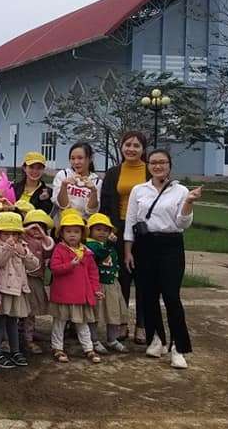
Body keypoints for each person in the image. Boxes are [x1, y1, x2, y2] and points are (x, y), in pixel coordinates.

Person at [123, 149, 202, 370]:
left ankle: (179, 347)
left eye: (163, 162)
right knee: (148, 295)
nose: (158, 166)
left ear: (169, 165)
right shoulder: (139, 190)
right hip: (144, 245)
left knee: (171, 296)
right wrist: (128, 251)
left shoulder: (180, 191)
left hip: (170, 245)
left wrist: (189, 202)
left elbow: (183, 223)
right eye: (154, 162)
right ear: (148, 165)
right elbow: (130, 221)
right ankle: (156, 339)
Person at [99, 131, 149, 344]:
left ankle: (142, 325)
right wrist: (108, 229)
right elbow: (105, 204)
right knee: (122, 279)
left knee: (144, 279)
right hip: (118, 231)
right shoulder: (113, 173)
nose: (131, 149)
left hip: (145, 232)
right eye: (128, 144)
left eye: (136, 145)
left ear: (143, 149)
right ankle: (122, 323)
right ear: (121, 147)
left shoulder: (150, 171)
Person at [48, 210, 103, 364]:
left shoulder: (87, 252)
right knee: (59, 323)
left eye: (76, 232)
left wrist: (96, 289)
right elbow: (54, 268)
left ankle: (88, 348)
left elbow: (93, 273)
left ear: (82, 234)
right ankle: (57, 347)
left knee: (82, 323)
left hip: (80, 295)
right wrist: (70, 265)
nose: (72, 235)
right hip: (63, 295)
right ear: (62, 233)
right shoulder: (59, 249)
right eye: (68, 231)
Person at [0, 212, 40, 369]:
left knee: (13, 321)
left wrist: (25, 253)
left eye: (14, 234)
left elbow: (34, 265)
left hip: (17, 290)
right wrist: (8, 248)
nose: (10, 237)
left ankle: (15, 350)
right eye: (6, 234)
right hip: (2, 290)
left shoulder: (22, 246)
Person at [86, 213, 127, 354]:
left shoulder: (108, 245)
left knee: (114, 312)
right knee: (95, 314)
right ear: (90, 230)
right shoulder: (90, 245)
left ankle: (112, 339)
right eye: (98, 229)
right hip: (98, 284)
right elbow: (100, 254)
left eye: (106, 230)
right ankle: (94, 340)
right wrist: (109, 244)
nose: (102, 232)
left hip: (112, 283)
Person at [20, 209, 55, 354]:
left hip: (35, 280)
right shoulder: (22, 239)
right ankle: (13, 338)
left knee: (31, 312)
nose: (36, 230)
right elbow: (16, 233)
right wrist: (25, 229)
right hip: (21, 279)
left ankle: (28, 338)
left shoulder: (44, 242)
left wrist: (43, 235)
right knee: (18, 312)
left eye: (41, 227)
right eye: (33, 227)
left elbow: (50, 248)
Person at [51, 142, 101, 222]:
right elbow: (63, 206)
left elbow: (91, 211)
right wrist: (64, 186)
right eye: (72, 158)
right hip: (64, 224)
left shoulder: (97, 181)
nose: (76, 162)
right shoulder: (63, 175)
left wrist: (93, 191)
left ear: (90, 159)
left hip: (84, 225)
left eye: (80, 158)